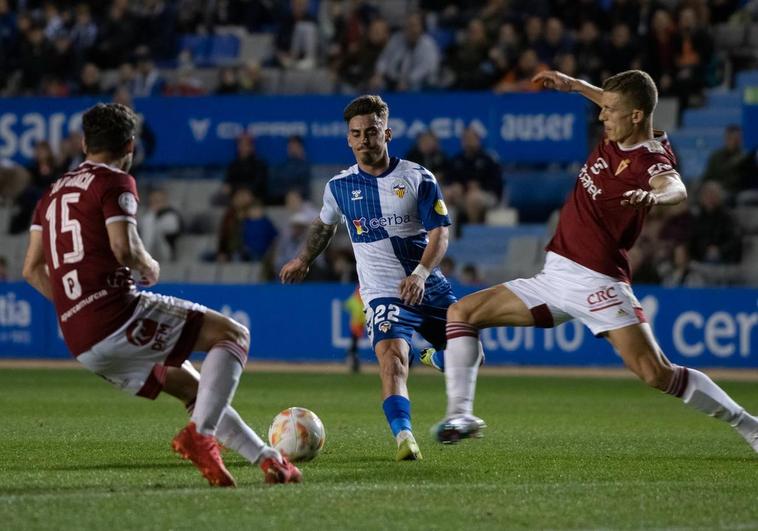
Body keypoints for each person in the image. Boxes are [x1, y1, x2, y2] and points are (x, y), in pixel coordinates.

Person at [432, 70, 758, 454]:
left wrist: (655, 198)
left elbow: (676, 186)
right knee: (461, 313)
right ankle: (462, 415)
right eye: (603, 108)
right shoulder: (620, 127)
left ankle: (749, 425)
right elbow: (610, 99)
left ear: (637, 116)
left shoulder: (649, 159)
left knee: (656, 373)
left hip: (598, 282)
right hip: (554, 275)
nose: (602, 117)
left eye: (610, 110)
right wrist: (574, 84)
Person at [22, 103, 301, 487]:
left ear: (84, 143)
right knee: (234, 335)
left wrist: (75, 306)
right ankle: (200, 436)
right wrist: (148, 264)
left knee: (195, 389)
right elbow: (124, 248)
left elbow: (31, 269)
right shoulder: (115, 181)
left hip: (80, 338)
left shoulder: (49, 195)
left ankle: (268, 460)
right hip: (116, 314)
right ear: (131, 146)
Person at [280, 95, 455, 461]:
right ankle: (404, 436)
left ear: (387, 133)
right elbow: (323, 225)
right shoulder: (339, 187)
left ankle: (431, 355)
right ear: (348, 139)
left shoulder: (417, 177)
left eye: (371, 132)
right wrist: (303, 258)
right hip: (381, 293)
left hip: (428, 285)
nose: (363, 140)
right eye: (356, 134)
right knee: (392, 359)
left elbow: (440, 233)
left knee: (470, 357)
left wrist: (422, 273)